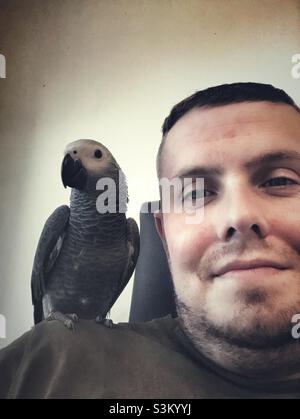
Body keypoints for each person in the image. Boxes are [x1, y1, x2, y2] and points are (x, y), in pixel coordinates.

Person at [1, 82, 300, 399]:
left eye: (280, 180)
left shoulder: (126, 236)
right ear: (164, 233)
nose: (238, 217)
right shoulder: (44, 362)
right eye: (196, 193)